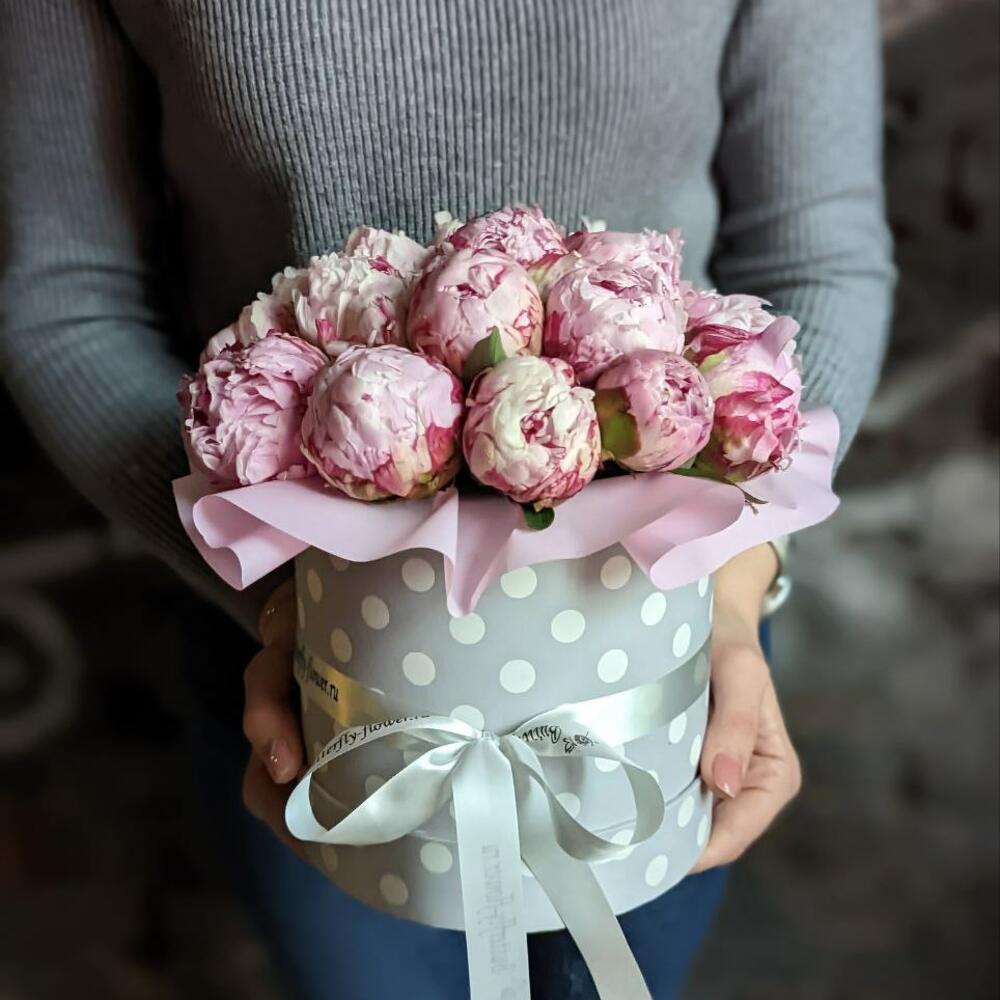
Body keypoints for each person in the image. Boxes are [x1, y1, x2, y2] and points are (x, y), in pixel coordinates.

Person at [0, 2, 894, 998]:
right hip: (310, 659)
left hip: (665, 636)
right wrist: (283, 590)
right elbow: (66, 298)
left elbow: (817, 258)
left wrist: (737, 575)